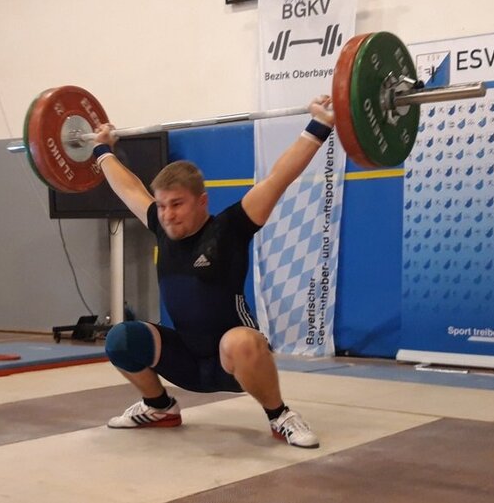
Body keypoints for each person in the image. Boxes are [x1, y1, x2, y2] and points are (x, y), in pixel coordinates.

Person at [93, 94, 335, 449]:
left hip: (233, 362)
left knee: (241, 341)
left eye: (177, 204)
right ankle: (160, 407)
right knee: (122, 339)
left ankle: (279, 415)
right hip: (186, 360)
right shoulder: (161, 226)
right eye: (161, 205)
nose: (167, 214)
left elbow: (279, 178)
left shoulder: (230, 228)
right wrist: (103, 148)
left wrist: (321, 124)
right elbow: (127, 187)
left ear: (201, 201)